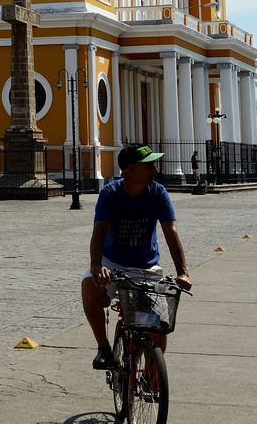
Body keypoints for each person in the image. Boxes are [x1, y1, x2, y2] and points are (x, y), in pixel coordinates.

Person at [82, 144, 193, 371]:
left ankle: (153, 373)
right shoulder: (110, 194)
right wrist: (96, 265)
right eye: (149, 165)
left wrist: (183, 272)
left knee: (156, 324)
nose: (156, 169)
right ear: (130, 170)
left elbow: (170, 232)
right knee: (88, 285)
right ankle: (104, 349)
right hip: (113, 265)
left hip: (146, 267)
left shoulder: (158, 192)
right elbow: (99, 231)